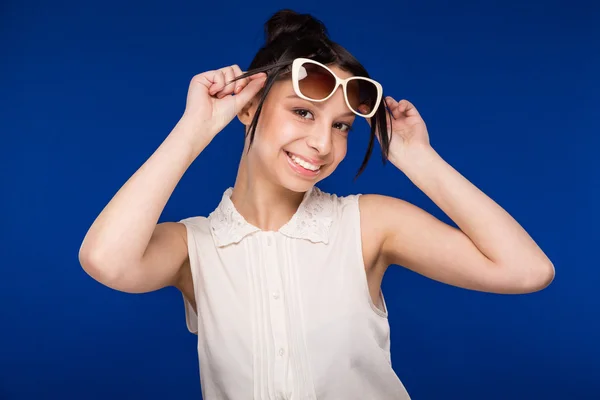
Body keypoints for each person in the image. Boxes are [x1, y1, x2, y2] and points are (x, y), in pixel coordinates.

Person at [78, 9, 555, 400]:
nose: (322, 144)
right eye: (302, 112)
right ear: (249, 108)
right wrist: (196, 128)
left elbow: (526, 270)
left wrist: (419, 159)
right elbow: (105, 260)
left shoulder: (369, 224)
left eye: (342, 125)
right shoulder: (194, 247)